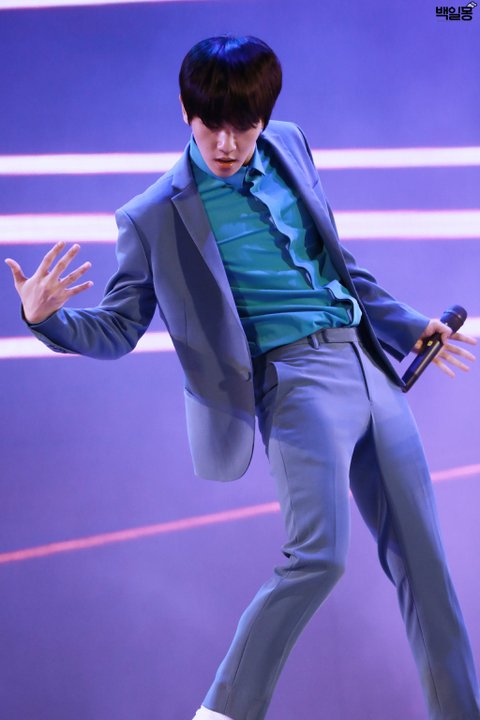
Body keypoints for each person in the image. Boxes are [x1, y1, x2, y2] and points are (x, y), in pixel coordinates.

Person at [5, 35, 479, 720]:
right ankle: (223, 712)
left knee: (426, 568)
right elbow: (119, 327)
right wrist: (45, 318)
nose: (228, 144)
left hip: (368, 366)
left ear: (265, 119)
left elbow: (336, 263)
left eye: (245, 127)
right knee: (319, 557)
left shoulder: (289, 144)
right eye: (212, 126)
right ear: (185, 112)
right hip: (295, 383)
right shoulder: (153, 215)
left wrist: (407, 325)